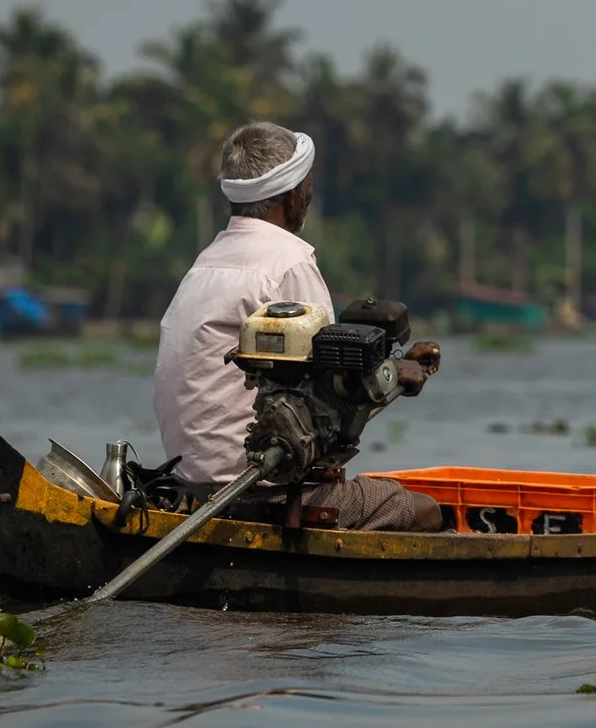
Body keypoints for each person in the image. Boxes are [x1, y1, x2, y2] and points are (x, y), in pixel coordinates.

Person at [152, 121, 442, 531]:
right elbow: (332, 393)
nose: (309, 194)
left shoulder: (205, 264)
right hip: (257, 488)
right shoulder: (289, 263)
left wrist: (399, 369)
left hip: (190, 482)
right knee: (426, 511)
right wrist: (397, 373)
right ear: (291, 194)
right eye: (306, 185)